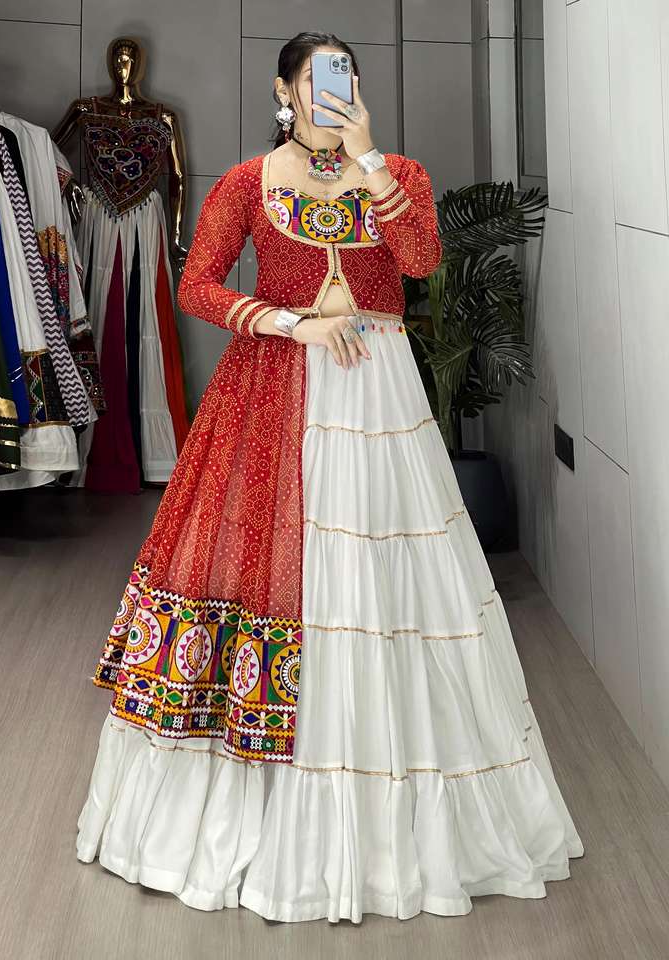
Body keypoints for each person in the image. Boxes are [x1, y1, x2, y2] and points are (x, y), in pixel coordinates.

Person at [75, 30, 584, 925]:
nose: (330, 92)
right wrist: (287, 322)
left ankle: (394, 808)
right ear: (284, 91)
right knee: (276, 575)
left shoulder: (399, 174)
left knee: (390, 581)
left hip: (381, 400)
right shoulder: (247, 182)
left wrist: (370, 158)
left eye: (342, 77)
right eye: (314, 80)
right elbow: (197, 285)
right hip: (276, 389)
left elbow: (421, 262)